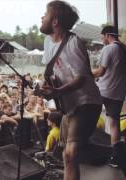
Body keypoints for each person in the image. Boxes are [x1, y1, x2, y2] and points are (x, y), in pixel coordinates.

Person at [39, 1, 102, 180]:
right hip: (69, 105)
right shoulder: (47, 42)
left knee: (71, 153)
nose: (42, 17)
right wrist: (47, 88)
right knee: (68, 156)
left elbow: (81, 78)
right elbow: (55, 73)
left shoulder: (74, 43)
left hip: (87, 102)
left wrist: (57, 91)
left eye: (45, 13)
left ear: (55, 21)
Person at [93, 25, 126, 168]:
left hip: (104, 91)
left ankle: (87, 148)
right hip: (118, 93)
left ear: (107, 35)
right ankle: (116, 157)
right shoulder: (124, 49)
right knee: (114, 125)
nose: (102, 40)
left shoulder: (109, 48)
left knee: (89, 116)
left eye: (102, 37)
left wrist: (84, 74)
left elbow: (100, 72)